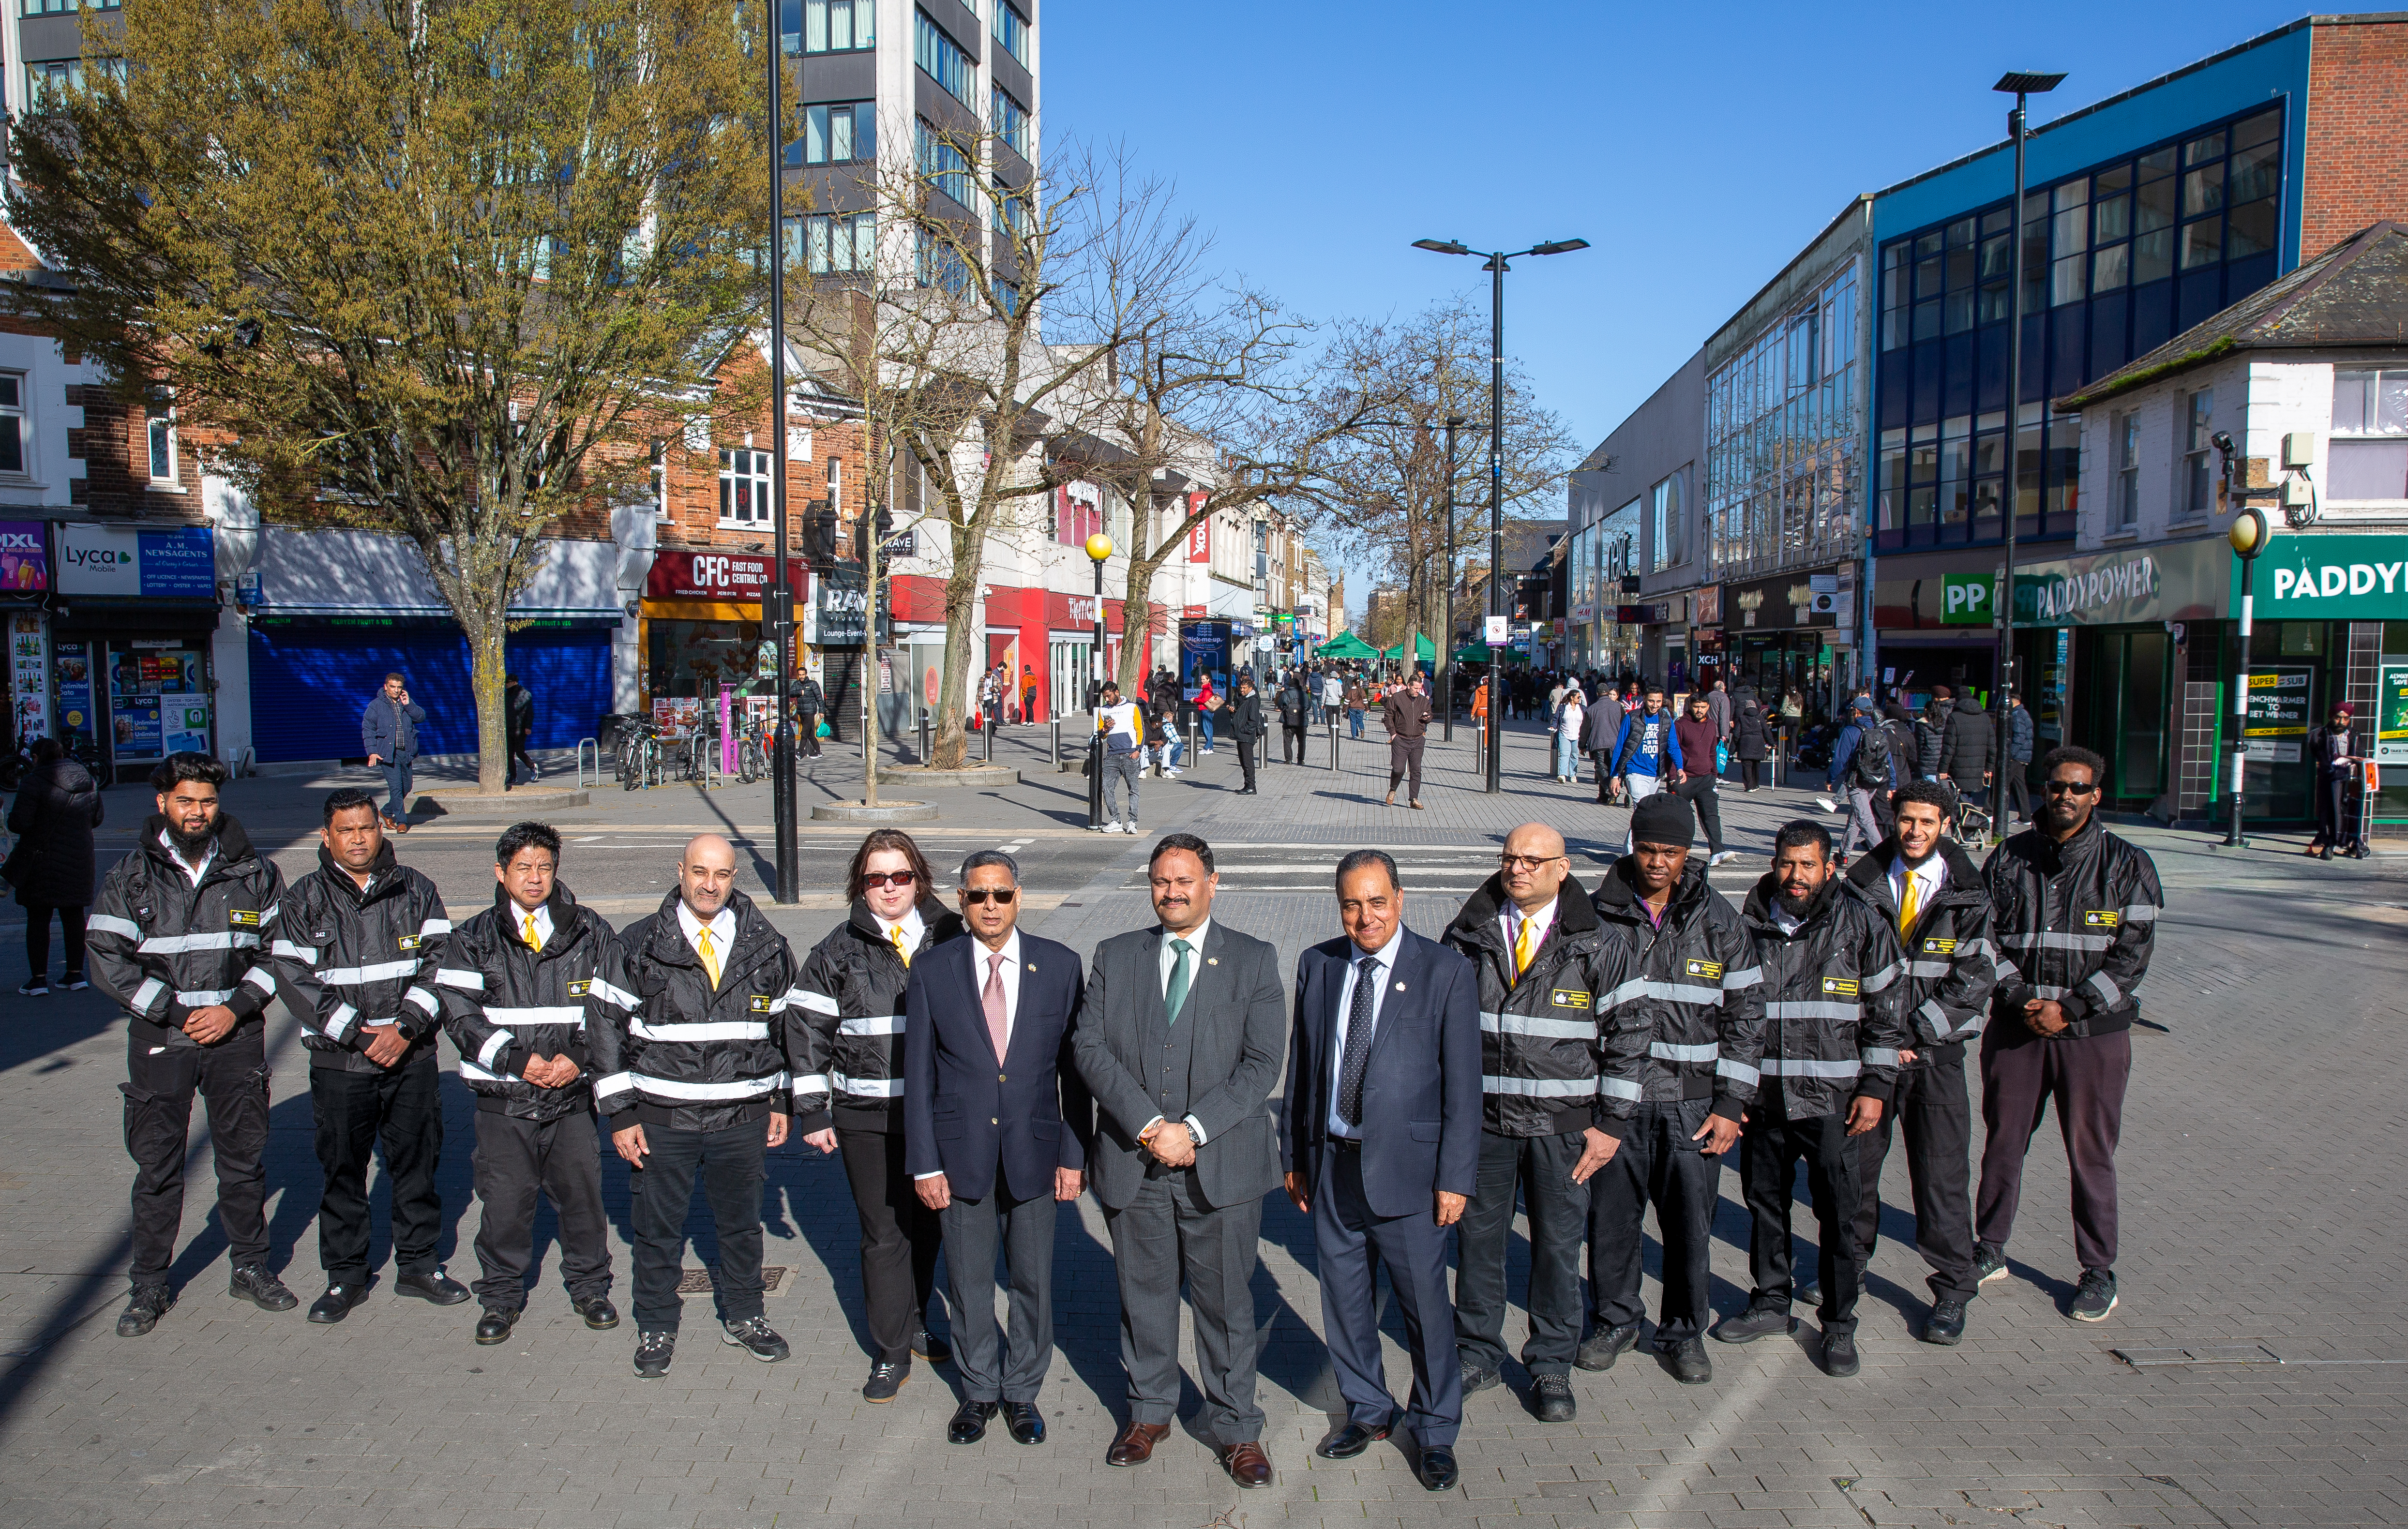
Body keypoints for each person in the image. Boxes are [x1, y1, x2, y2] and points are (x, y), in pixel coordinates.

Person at [1075, 834, 1284, 1485]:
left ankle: (1235, 1425)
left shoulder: (1252, 960)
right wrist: (1146, 1125)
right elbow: (1088, 1048)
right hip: (1136, 1165)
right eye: (1161, 882)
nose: (1172, 893)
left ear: (1212, 883)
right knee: (1144, 1296)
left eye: (1185, 881)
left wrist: (1192, 1130)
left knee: (1226, 1303)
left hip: (1219, 1170)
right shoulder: (1116, 956)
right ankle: (1150, 1411)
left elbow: (1261, 1066)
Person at [1285, 850, 1480, 1493]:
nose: (1364, 917)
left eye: (1375, 902)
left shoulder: (1445, 971)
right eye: (1350, 904)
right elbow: (1305, 1072)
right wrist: (1295, 1158)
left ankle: (1435, 1427)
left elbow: (1464, 1087)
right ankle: (1368, 1410)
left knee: (1426, 1308)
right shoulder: (1319, 964)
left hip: (1410, 1174)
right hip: (1333, 1166)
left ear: (1400, 899)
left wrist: (1455, 1176)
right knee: (1344, 1303)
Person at [87, 753, 294, 1336]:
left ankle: (250, 1267)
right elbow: (107, 959)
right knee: (157, 1168)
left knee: (243, 1162)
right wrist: (177, 1011)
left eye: (206, 801)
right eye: (185, 801)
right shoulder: (131, 875)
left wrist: (235, 1008)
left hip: (236, 1037)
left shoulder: (254, 872)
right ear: (162, 803)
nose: (197, 812)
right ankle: (149, 1284)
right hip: (163, 1038)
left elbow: (279, 955)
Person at [1442, 824, 1643, 1421]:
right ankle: (1476, 1350)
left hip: (1563, 1131)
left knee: (1557, 1247)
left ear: (1562, 869)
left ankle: (1551, 1364)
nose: (1518, 868)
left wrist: (1611, 1125)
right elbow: (1438, 1028)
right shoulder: (1467, 935)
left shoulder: (1600, 943)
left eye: (1533, 860)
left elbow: (1631, 1038)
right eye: (1509, 858)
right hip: (1484, 1126)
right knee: (1478, 1244)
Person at [589, 834, 798, 1377]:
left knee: (741, 1226)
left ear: (734, 877)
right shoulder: (636, 944)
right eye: (700, 872)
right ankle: (657, 1324)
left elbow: (784, 1032)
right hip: (663, 1120)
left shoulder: (767, 945)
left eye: (722, 874)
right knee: (657, 1230)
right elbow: (604, 1033)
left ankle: (746, 1315)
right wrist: (621, 1113)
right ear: (680, 871)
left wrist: (780, 1098)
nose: (710, 885)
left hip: (741, 1116)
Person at [905, 850, 1090, 1447]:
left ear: (1019, 896)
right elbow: (919, 1077)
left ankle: (1022, 1392)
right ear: (960, 899)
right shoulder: (932, 970)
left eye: (1001, 894)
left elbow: (1074, 1073)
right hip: (960, 1156)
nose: (990, 906)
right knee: (968, 1280)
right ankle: (979, 1390)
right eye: (978, 895)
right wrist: (925, 1162)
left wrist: (1073, 1154)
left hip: (1035, 1151)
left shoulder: (1060, 966)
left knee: (1033, 1279)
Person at [1975, 746, 2163, 1323]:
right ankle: (1987, 1248)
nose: (2064, 796)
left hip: (2092, 1036)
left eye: (2076, 788)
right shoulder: (2008, 859)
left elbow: (2131, 959)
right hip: (2017, 1026)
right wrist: (2020, 998)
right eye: (2056, 786)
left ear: (2095, 794)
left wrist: (2071, 1008)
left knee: (2090, 1155)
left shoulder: (2128, 865)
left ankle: (2097, 1270)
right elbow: (1981, 940)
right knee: (2003, 1143)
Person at [1716, 820, 1907, 1379]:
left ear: (1829, 867)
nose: (1794, 875)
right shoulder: (1746, 923)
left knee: (1838, 1215)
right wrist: (1734, 1093)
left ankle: (1838, 1323)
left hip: (1833, 1101)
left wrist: (1874, 1089)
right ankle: (1771, 1301)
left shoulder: (1861, 923)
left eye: (1806, 865)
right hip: (1765, 1100)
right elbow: (1725, 1013)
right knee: (1765, 1206)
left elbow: (1887, 1018)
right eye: (1785, 863)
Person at [271, 787, 470, 1323]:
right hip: (342, 1061)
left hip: (411, 1057)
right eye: (346, 830)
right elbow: (294, 979)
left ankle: (418, 1264)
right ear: (327, 836)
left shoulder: (417, 890)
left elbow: (441, 965)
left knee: (417, 1165)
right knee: (342, 1171)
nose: (358, 839)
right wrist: (360, 1035)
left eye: (366, 828)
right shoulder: (303, 898)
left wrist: (405, 1028)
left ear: (381, 828)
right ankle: (345, 1276)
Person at [1585, 793, 1761, 1384]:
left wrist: (1731, 1104)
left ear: (1689, 852)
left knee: (1689, 1225)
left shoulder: (1720, 921)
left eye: (1670, 851)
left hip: (1692, 1105)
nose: (1656, 861)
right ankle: (1614, 1319)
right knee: (1612, 1220)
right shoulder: (1595, 914)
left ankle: (1683, 1331)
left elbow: (1746, 1018)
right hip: (1618, 1102)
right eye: (1645, 848)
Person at [790, 831, 963, 1400]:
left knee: (927, 1226)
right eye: (875, 878)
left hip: (937, 1116)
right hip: (867, 1114)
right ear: (859, 885)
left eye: (900, 876)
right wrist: (813, 1112)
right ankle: (889, 1351)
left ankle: (914, 1317)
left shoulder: (952, 936)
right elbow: (806, 1032)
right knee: (883, 1233)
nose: (889, 887)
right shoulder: (837, 950)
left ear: (919, 878)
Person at [436, 821, 624, 1345]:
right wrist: (516, 1060)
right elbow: (459, 1013)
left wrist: (580, 1058)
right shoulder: (471, 937)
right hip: (506, 1099)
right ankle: (499, 1296)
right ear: (501, 872)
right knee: (504, 1203)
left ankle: (591, 1289)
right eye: (523, 867)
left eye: (544, 866)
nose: (535, 878)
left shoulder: (591, 930)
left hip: (570, 1099)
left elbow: (612, 1006)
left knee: (583, 1199)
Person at [1843, 782, 2005, 1346]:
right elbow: (1843, 968)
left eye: (1926, 822)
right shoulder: (1859, 885)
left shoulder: (1968, 891)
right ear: (1892, 820)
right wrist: (1882, 1039)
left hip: (1935, 1056)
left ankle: (1953, 1287)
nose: (1914, 832)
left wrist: (1914, 1032)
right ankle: (1848, 1271)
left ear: (1944, 826)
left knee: (1940, 1177)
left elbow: (1976, 975)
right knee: (1856, 1173)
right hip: (1871, 1059)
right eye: (1906, 820)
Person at [7, 736, 103, 995]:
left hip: (40, 860)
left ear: (36, 759)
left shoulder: (33, 782)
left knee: (39, 918)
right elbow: (97, 818)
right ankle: (75, 975)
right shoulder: (87, 779)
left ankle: (38, 980)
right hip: (79, 859)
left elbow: (20, 823)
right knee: (73, 916)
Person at [1607, 686, 1684, 840]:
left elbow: (1673, 746)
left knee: (1642, 814)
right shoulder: (1633, 717)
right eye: (1651, 701)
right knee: (1644, 810)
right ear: (1644, 699)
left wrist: (1680, 768)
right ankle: (1636, 852)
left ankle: (1630, 853)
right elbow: (1620, 746)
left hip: (1655, 774)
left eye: (1658, 701)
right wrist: (1615, 776)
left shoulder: (1666, 719)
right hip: (1635, 771)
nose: (1655, 705)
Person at [1826, 699, 1894, 867]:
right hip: (1874, 781)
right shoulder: (1879, 731)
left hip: (1856, 781)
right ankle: (1843, 854)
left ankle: (1885, 856)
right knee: (1856, 817)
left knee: (1865, 820)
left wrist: (1831, 779)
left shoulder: (1851, 731)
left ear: (1856, 712)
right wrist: (1892, 785)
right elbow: (1888, 760)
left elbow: (1840, 759)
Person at [1673, 693, 1732, 866]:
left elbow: (1712, 751)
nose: (1700, 710)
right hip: (1686, 779)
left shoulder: (1711, 725)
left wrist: (1714, 774)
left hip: (1707, 779)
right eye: (1697, 706)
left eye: (1704, 707)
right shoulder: (1681, 724)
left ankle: (1717, 852)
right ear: (1691, 706)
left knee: (1711, 816)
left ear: (1708, 708)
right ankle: (1678, 851)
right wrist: (1672, 777)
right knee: (1680, 817)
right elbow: (1673, 750)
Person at [361, 673, 425, 833]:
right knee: (396, 788)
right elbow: (368, 729)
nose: (396, 690)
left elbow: (421, 717)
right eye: (393, 687)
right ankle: (402, 822)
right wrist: (372, 752)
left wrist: (409, 704)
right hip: (388, 754)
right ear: (386, 687)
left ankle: (386, 811)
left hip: (406, 753)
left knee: (407, 787)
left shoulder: (405, 703)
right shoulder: (376, 706)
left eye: (399, 688)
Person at [2308, 705, 2364, 859]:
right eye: (2338, 718)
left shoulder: (2354, 735)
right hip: (2329, 778)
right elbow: (2313, 754)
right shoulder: (2319, 735)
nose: (2341, 722)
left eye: (2346, 719)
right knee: (2329, 810)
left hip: (2349, 779)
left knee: (2347, 810)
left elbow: (2360, 755)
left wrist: (2349, 760)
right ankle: (2328, 839)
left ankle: (2350, 840)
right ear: (2331, 717)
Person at [1092, 680, 1145, 835]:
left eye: (1109, 696)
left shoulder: (1132, 707)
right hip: (1112, 755)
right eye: (1105, 697)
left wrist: (1138, 751)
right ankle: (1115, 820)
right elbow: (1100, 735)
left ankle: (1132, 822)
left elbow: (1140, 729)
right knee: (1106, 787)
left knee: (1133, 789)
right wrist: (1106, 729)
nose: (1107, 700)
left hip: (1130, 754)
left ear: (1116, 692)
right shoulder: (1103, 711)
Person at [1382, 672, 1433, 809]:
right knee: (1398, 769)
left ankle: (1414, 799)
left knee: (1416, 770)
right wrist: (1393, 734)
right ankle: (1393, 789)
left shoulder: (1423, 701)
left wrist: (1427, 718)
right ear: (1409, 686)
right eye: (1416, 688)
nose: (1418, 691)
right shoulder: (1397, 698)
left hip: (1417, 740)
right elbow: (1388, 717)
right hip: (1401, 739)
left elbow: (1429, 714)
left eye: (1420, 688)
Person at [1939, 690, 1996, 811]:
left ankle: (1964, 821)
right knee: (1968, 795)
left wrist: (1943, 769)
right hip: (1978, 765)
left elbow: (1949, 747)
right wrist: (1989, 768)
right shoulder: (1985, 717)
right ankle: (1968, 819)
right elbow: (1992, 746)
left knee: (1959, 796)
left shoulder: (1954, 717)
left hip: (1958, 765)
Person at [1998, 692, 2033, 827]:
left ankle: (1990, 813)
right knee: (2019, 786)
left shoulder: (2017, 715)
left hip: (2017, 756)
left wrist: (2010, 755)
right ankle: (2025, 817)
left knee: (2000, 783)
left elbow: (2019, 737)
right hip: (2022, 756)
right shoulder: (2023, 713)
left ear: (2012, 702)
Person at [1228, 674, 1265, 795]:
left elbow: (1254, 721)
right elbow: (1241, 717)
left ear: (1251, 689)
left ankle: (1251, 786)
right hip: (1241, 735)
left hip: (1246, 736)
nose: (1242, 690)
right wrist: (1233, 714)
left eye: (1244, 688)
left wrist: (1245, 730)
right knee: (1243, 761)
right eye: (1241, 688)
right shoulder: (1245, 700)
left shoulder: (1253, 701)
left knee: (1248, 761)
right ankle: (1247, 785)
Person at [1731, 692, 1771, 793]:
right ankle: (1756, 784)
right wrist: (1772, 743)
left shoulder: (1742, 719)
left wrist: (1731, 750)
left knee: (1747, 766)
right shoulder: (1760, 718)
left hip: (1745, 744)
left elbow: (1736, 734)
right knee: (1756, 765)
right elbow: (1766, 731)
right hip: (1758, 743)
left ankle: (1749, 786)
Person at [504, 674, 539, 785]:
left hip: (520, 728)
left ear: (514, 683)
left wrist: (528, 727)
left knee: (519, 752)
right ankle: (513, 777)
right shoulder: (506, 695)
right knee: (509, 753)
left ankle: (532, 766)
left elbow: (530, 713)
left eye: (508, 683)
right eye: (505, 683)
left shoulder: (525, 695)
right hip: (509, 728)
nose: (506, 685)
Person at [1913, 688, 1951, 783]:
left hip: (1928, 761)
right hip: (1942, 760)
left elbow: (1919, 745)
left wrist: (1917, 761)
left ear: (1926, 710)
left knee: (1931, 787)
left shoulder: (1922, 725)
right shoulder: (1946, 724)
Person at [1553, 684, 1585, 784]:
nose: (1580, 699)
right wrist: (1553, 726)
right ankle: (1562, 775)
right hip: (1564, 734)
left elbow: (1587, 721)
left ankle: (1573, 775)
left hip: (1577, 735)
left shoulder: (1582, 708)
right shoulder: (1563, 707)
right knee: (1564, 754)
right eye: (1578, 697)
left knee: (1575, 755)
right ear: (1572, 698)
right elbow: (1556, 718)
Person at [790, 671, 826, 759]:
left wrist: (822, 711)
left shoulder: (813, 684)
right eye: (800, 675)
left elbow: (819, 698)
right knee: (810, 734)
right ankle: (818, 752)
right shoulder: (796, 684)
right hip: (802, 712)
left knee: (804, 733)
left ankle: (800, 752)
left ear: (806, 674)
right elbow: (791, 693)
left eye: (803, 675)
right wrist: (800, 692)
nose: (801, 676)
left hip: (810, 712)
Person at [1276, 674, 1309, 765]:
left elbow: (1280, 705)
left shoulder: (1286, 694)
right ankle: (1301, 760)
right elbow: (1308, 707)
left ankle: (1288, 759)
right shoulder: (1303, 694)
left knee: (1287, 741)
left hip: (1288, 721)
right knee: (1302, 742)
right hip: (1302, 722)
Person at [1194, 675, 1218, 753]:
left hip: (1206, 710)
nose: (1202, 681)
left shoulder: (1207, 689)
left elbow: (1204, 700)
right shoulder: (1207, 688)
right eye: (1201, 679)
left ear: (1208, 680)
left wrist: (1195, 699)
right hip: (1206, 710)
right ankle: (1210, 748)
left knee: (1206, 729)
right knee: (1208, 729)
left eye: (1204, 679)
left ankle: (1207, 747)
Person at [1345, 670, 1370, 739]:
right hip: (1361, 708)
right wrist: (1367, 708)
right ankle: (1362, 729)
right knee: (1360, 720)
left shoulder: (1351, 691)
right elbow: (1365, 700)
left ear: (1354, 683)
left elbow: (1347, 700)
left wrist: (1344, 708)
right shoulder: (1362, 691)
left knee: (1353, 722)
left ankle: (1354, 736)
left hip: (1352, 708)